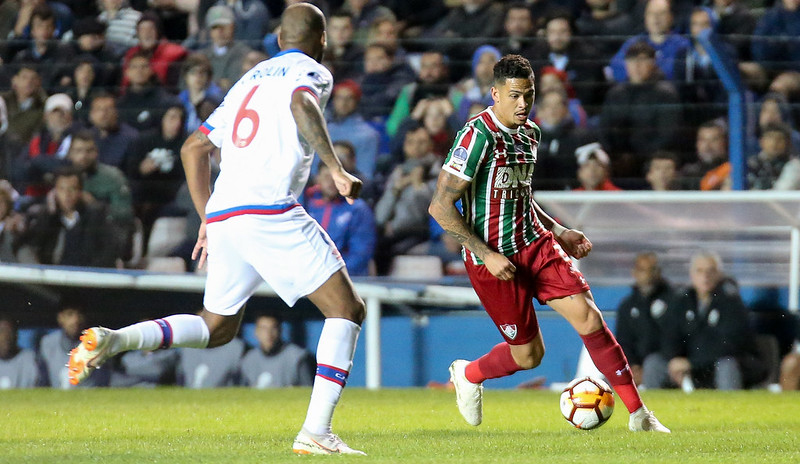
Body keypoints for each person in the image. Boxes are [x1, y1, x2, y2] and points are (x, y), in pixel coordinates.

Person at [68, 3, 367, 456]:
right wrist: (336, 167)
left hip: (228, 213)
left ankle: (116, 339)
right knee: (346, 309)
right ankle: (316, 432)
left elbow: (194, 147)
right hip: (268, 208)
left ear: (278, 40)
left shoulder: (249, 79)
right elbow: (300, 102)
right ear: (320, 41)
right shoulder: (312, 71)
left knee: (216, 327)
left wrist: (208, 218)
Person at [428, 54, 669, 432]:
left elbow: (521, 196)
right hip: (494, 259)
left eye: (529, 95)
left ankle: (639, 414)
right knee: (528, 357)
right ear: (494, 94)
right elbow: (440, 206)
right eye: (514, 96)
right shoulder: (477, 136)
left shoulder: (532, 134)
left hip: (535, 244)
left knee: (590, 317)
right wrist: (486, 254)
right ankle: (470, 374)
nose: (523, 104)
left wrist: (559, 231)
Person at [662, 251, 766, 390]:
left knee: (726, 364)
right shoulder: (681, 301)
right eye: (700, 271)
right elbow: (669, 335)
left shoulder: (731, 301)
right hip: (690, 364)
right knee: (655, 363)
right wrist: (674, 359)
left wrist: (692, 362)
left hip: (726, 364)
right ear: (691, 275)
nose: (705, 276)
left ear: (719, 274)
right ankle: (647, 409)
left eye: (711, 271)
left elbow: (728, 345)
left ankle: (731, 407)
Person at [21, 166, 118, 267]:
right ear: (55, 191)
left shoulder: (96, 217)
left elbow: (109, 251)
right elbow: (26, 245)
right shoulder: (48, 217)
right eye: (62, 189)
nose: (67, 194)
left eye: (72, 189)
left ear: (80, 191)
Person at [614, 252, 675, 388]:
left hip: (663, 361)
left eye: (652, 269)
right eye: (642, 270)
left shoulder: (673, 301)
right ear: (634, 273)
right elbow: (623, 341)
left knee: (653, 366)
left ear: (658, 272)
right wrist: (633, 365)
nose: (647, 275)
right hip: (635, 365)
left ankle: (656, 406)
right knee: (612, 375)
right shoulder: (627, 306)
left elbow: (672, 337)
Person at [304, 163, 376, 277]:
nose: (332, 182)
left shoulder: (357, 209)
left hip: (344, 277)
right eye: (327, 177)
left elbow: (360, 253)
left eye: (336, 178)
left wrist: (334, 275)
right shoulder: (305, 205)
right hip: (308, 275)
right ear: (317, 179)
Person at [40, 303, 110, 389]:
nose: (75, 320)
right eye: (70, 314)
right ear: (60, 317)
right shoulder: (48, 344)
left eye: (80, 314)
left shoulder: (98, 342)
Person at [240, 312, 315, 388]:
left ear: (280, 330)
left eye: (273, 328)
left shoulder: (297, 357)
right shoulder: (248, 359)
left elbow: (307, 390)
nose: (268, 334)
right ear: (256, 332)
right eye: (263, 329)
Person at [0, 314, 41, 388]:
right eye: (1, 331)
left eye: (9, 331)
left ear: (16, 335)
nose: (5, 336)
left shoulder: (29, 359)